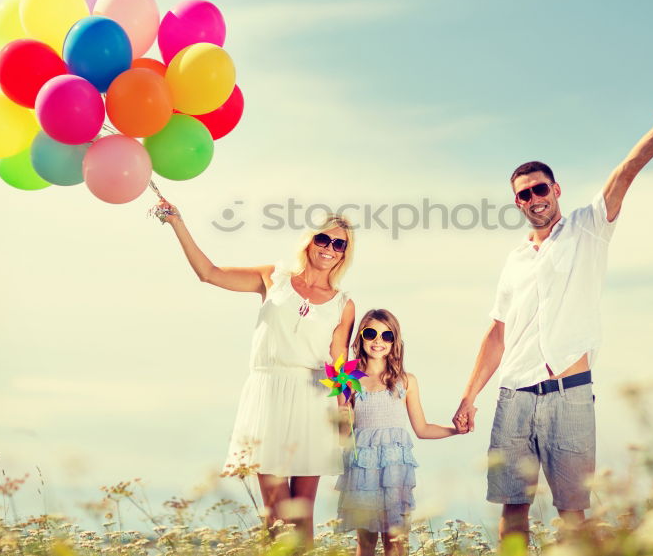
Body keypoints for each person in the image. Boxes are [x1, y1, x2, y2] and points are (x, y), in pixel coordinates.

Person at [452, 62, 653, 541]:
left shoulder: (589, 227)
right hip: (513, 395)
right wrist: (470, 396)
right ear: (518, 203)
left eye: (540, 188)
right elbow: (497, 331)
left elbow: (626, 170)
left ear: (557, 189)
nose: (534, 198)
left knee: (573, 514)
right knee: (512, 510)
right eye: (524, 194)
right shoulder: (514, 260)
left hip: (570, 396)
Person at [157, 201, 356, 544]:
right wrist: (178, 223)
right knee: (275, 512)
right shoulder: (273, 278)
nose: (330, 249)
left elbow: (340, 365)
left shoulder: (343, 304)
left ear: (344, 254)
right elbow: (209, 273)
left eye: (340, 245)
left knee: (302, 512)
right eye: (324, 239)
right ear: (310, 240)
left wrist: (345, 411)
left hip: (313, 398)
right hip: (268, 394)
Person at [336, 309, 458, 556]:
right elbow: (343, 437)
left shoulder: (406, 381)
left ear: (395, 342)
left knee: (396, 541)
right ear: (360, 338)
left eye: (386, 335)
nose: (378, 341)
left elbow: (422, 429)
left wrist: (455, 430)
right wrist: (341, 408)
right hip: (363, 471)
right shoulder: (348, 380)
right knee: (366, 543)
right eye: (371, 334)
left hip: (395, 471)